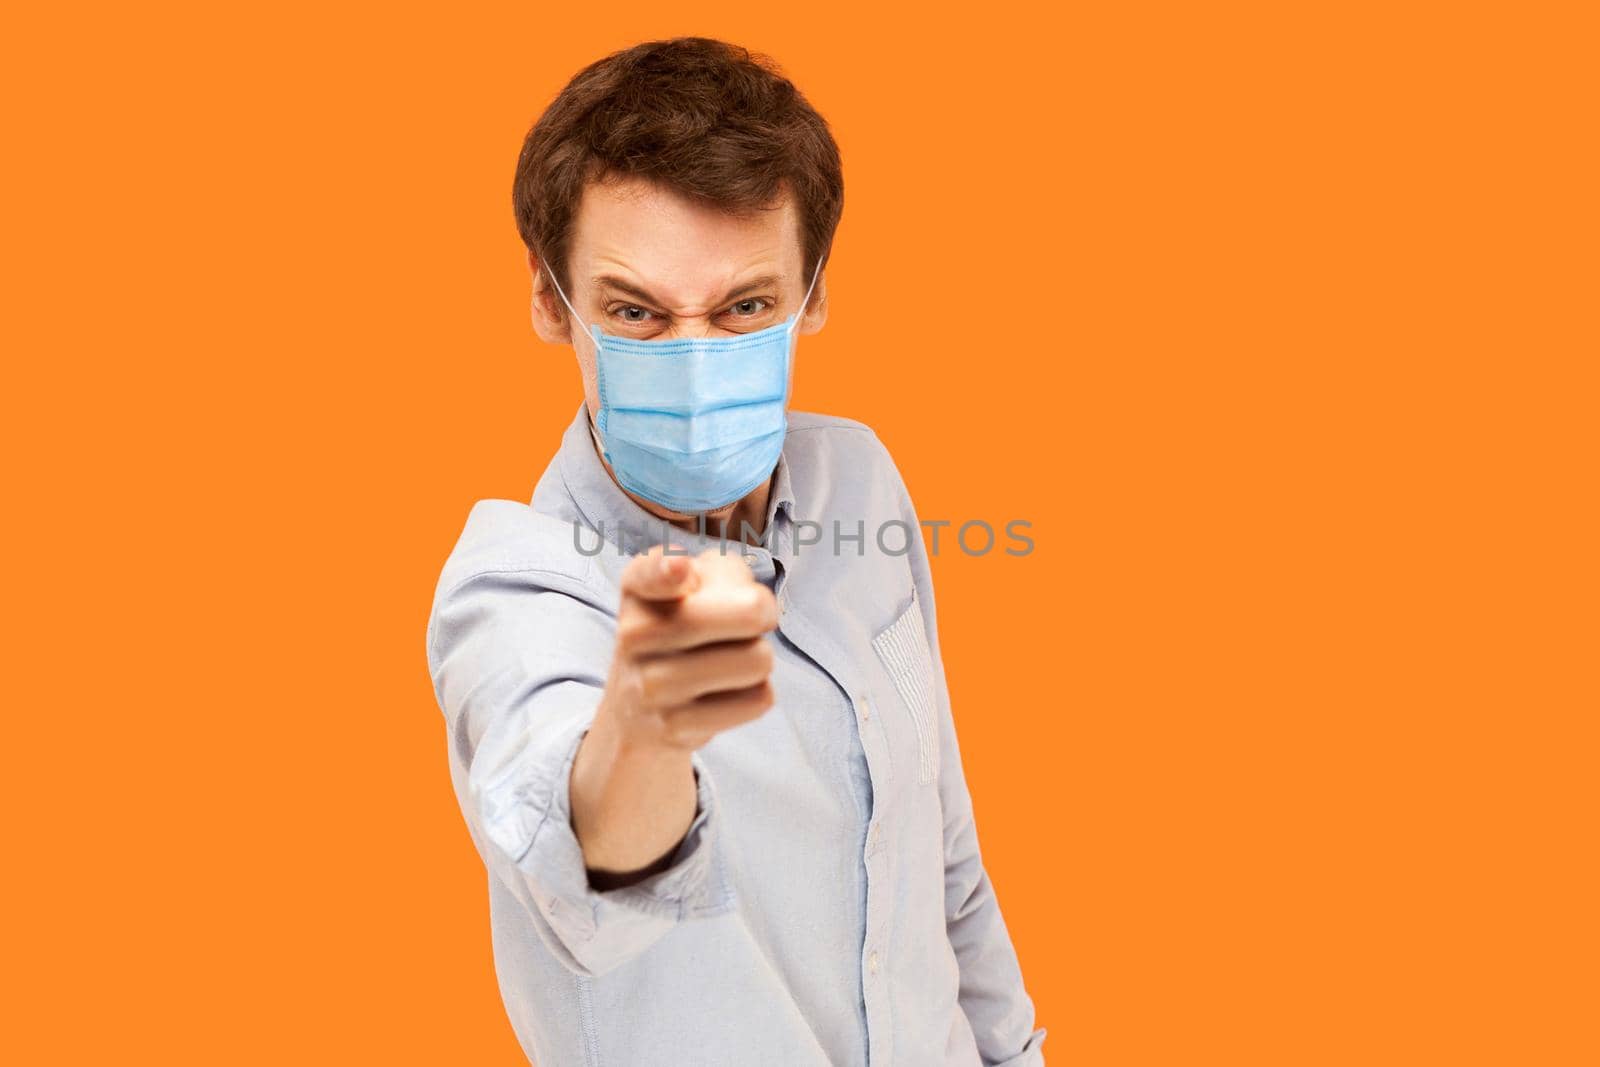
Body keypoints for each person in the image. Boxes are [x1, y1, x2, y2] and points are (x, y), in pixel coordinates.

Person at [425, 36, 1046, 1066]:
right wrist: (643, 725)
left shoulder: (859, 479)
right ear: (549, 300)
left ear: (813, 293)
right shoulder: (517, 589)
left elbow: (940, 850)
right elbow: (586, 850)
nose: (699, 359)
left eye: (745, 307)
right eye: (635, 313)